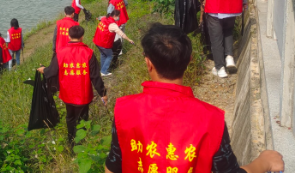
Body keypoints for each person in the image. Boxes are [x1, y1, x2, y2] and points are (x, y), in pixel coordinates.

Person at [104, 23, 284, 173]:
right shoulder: (212, 119)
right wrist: (263, 162)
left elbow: (113, 165)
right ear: (189, 61)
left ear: (148, 62)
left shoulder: (124, 109)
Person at [37, 25, 107, 144]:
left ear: (69, 36)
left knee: (70, 117)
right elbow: (95, 76)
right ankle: (81, 142)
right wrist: (103, 93)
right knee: (82, 119)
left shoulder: (61, 52)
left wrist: (44, 69)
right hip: (83, 94)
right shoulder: (88, 53)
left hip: (67, 93)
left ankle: (71, 140)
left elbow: (52, 71)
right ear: (82, 37)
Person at [93, 10, 134, 76]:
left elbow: (100, 18)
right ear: (115, 16)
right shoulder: (113, 25)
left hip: (97, 41)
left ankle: (102, 70)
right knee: (110, 55)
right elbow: (121, 34)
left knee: (103, 54)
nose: (118, 18)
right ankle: (104, 71)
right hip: (104, 43)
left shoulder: (105, 18)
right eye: (118, 16)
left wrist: (98, 18)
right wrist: (129, 40)